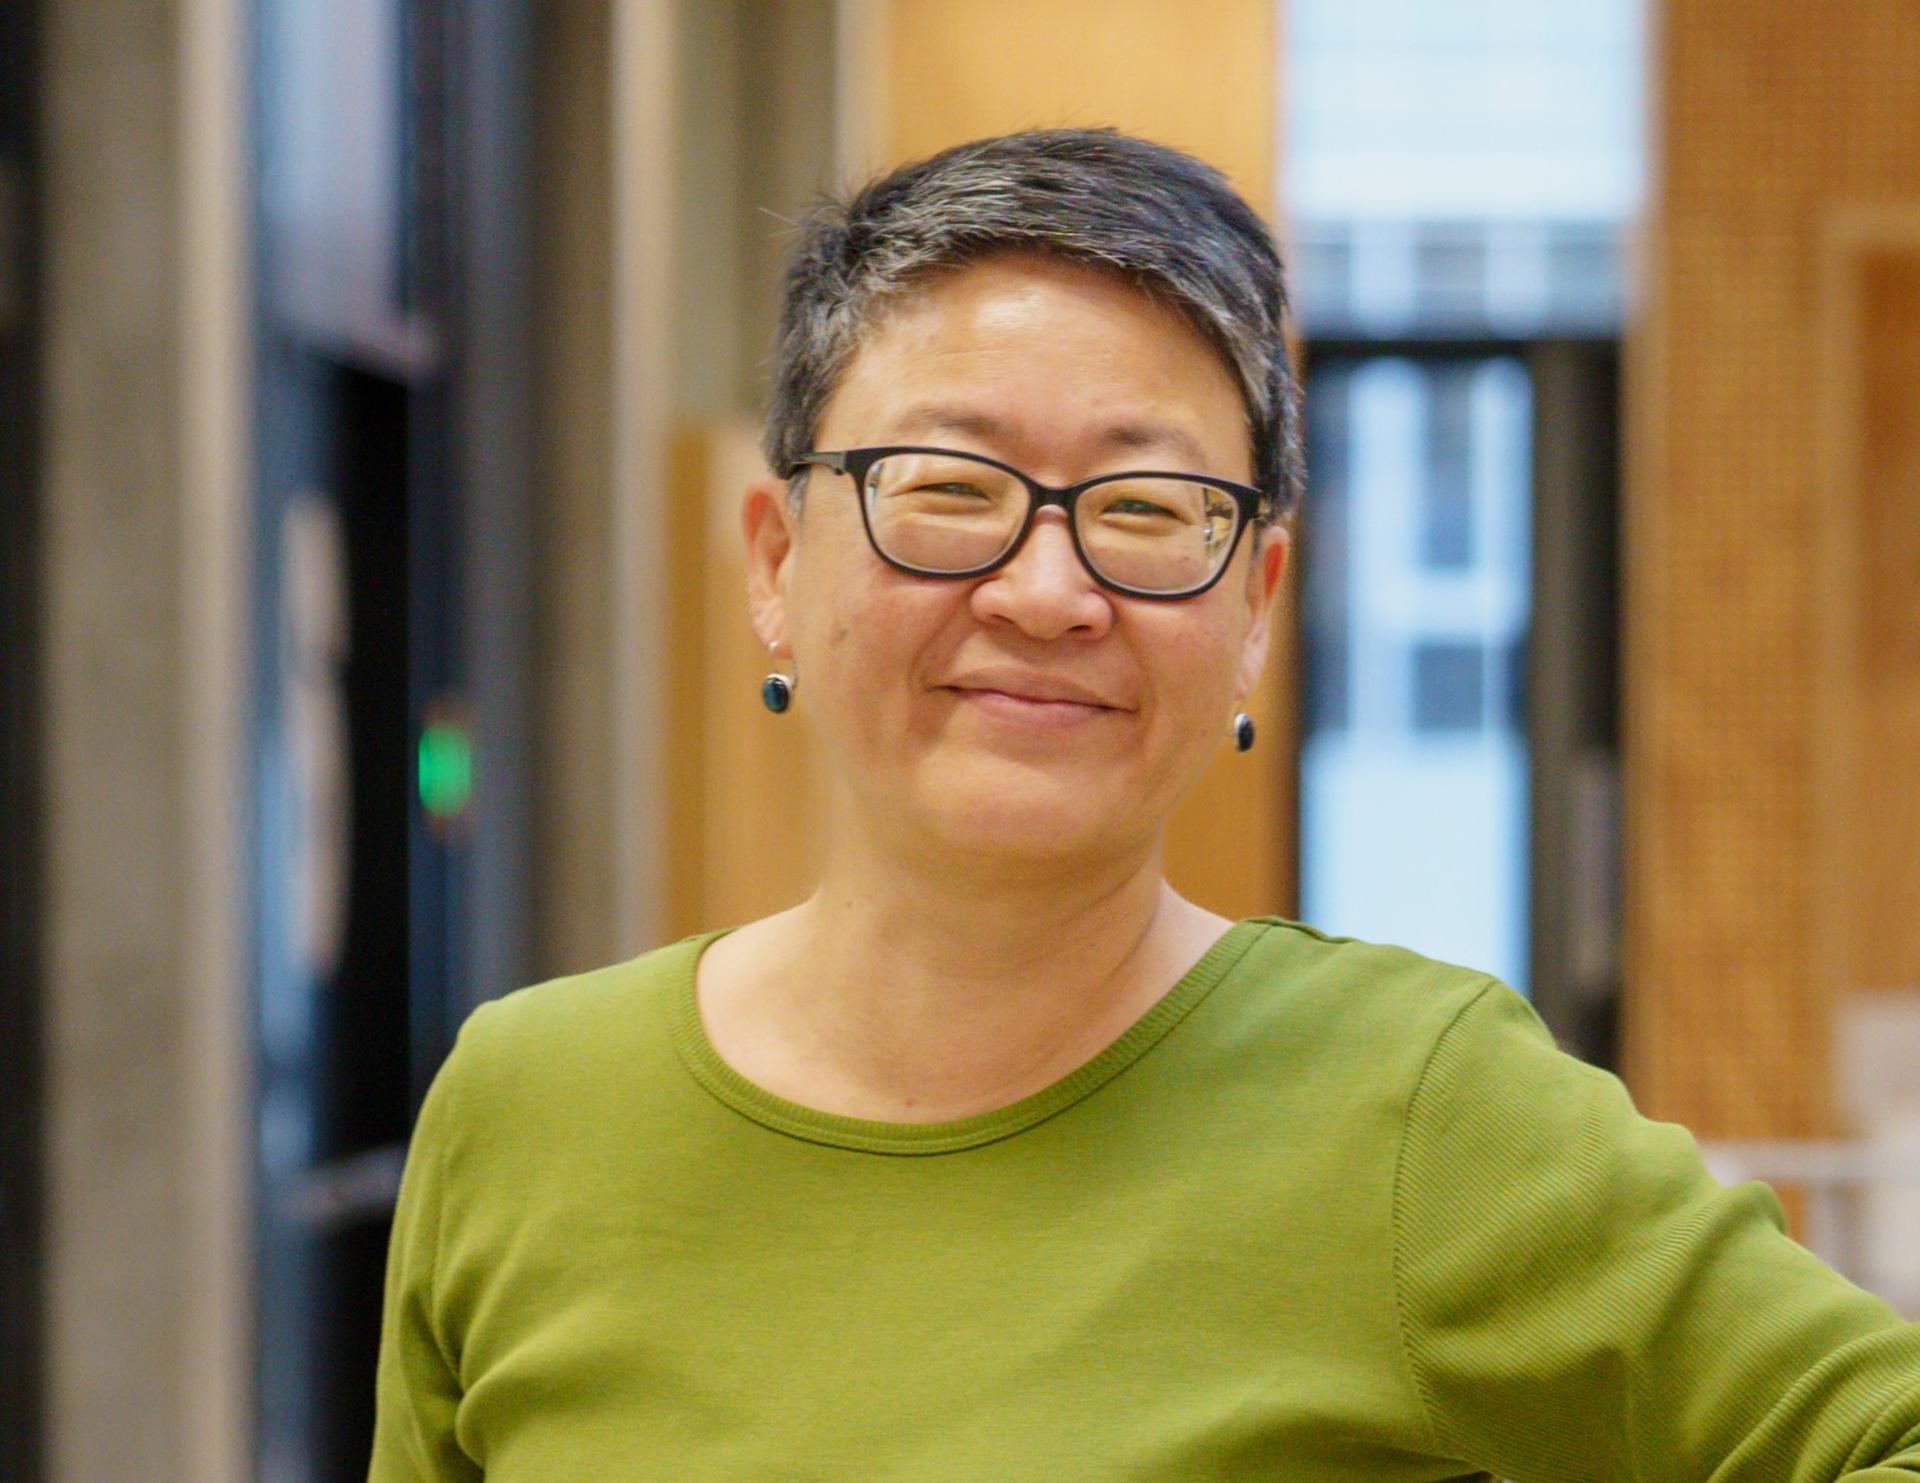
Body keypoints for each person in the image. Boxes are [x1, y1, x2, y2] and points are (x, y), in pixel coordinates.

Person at [369, 129, 1920, 1480]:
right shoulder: (525, 1107)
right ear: (776, 562)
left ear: (1255, 605)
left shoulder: (1413, 1110)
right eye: (949, 489)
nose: (1047, 592)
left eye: (1147, 509)